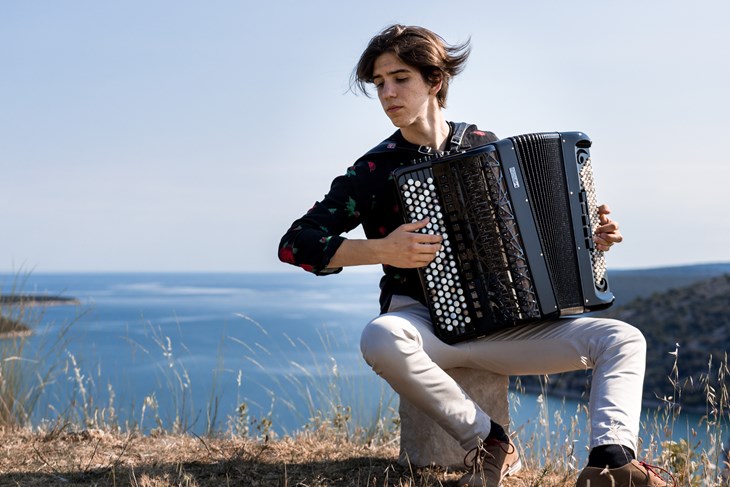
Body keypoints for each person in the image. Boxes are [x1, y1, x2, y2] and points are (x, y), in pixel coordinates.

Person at [278, 24, 673, 487]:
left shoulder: (487, 146)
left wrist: (590, 239)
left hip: (507, 328)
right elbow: (296, 242)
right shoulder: (372, 170)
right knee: (380, 337)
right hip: (426, 327)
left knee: (622, 338)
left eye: (400, 78)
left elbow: (532, 239)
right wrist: (383, 250)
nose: (387, 92)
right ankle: (490, 443)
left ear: (435, 81)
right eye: (379, 83)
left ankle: (610, 461)